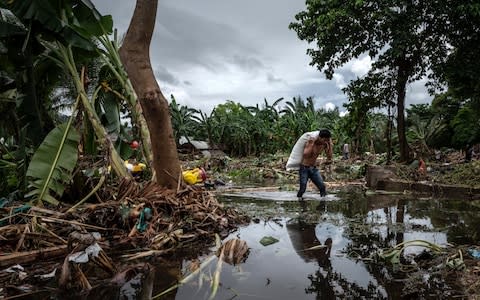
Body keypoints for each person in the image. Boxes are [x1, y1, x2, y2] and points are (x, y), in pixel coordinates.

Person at [297, 129, 333, 200]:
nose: (325, 141)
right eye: (324, 140)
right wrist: (311, 144)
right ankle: (299, 201)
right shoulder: (311, 142)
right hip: (304, 168)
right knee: (303, 188)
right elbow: (306, 155)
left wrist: (329, 145)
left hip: (313, 168)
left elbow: (329, 156)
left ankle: (323, 203)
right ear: (320, 138)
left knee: (322, 187)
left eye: (327, 140)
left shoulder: (323, 144)